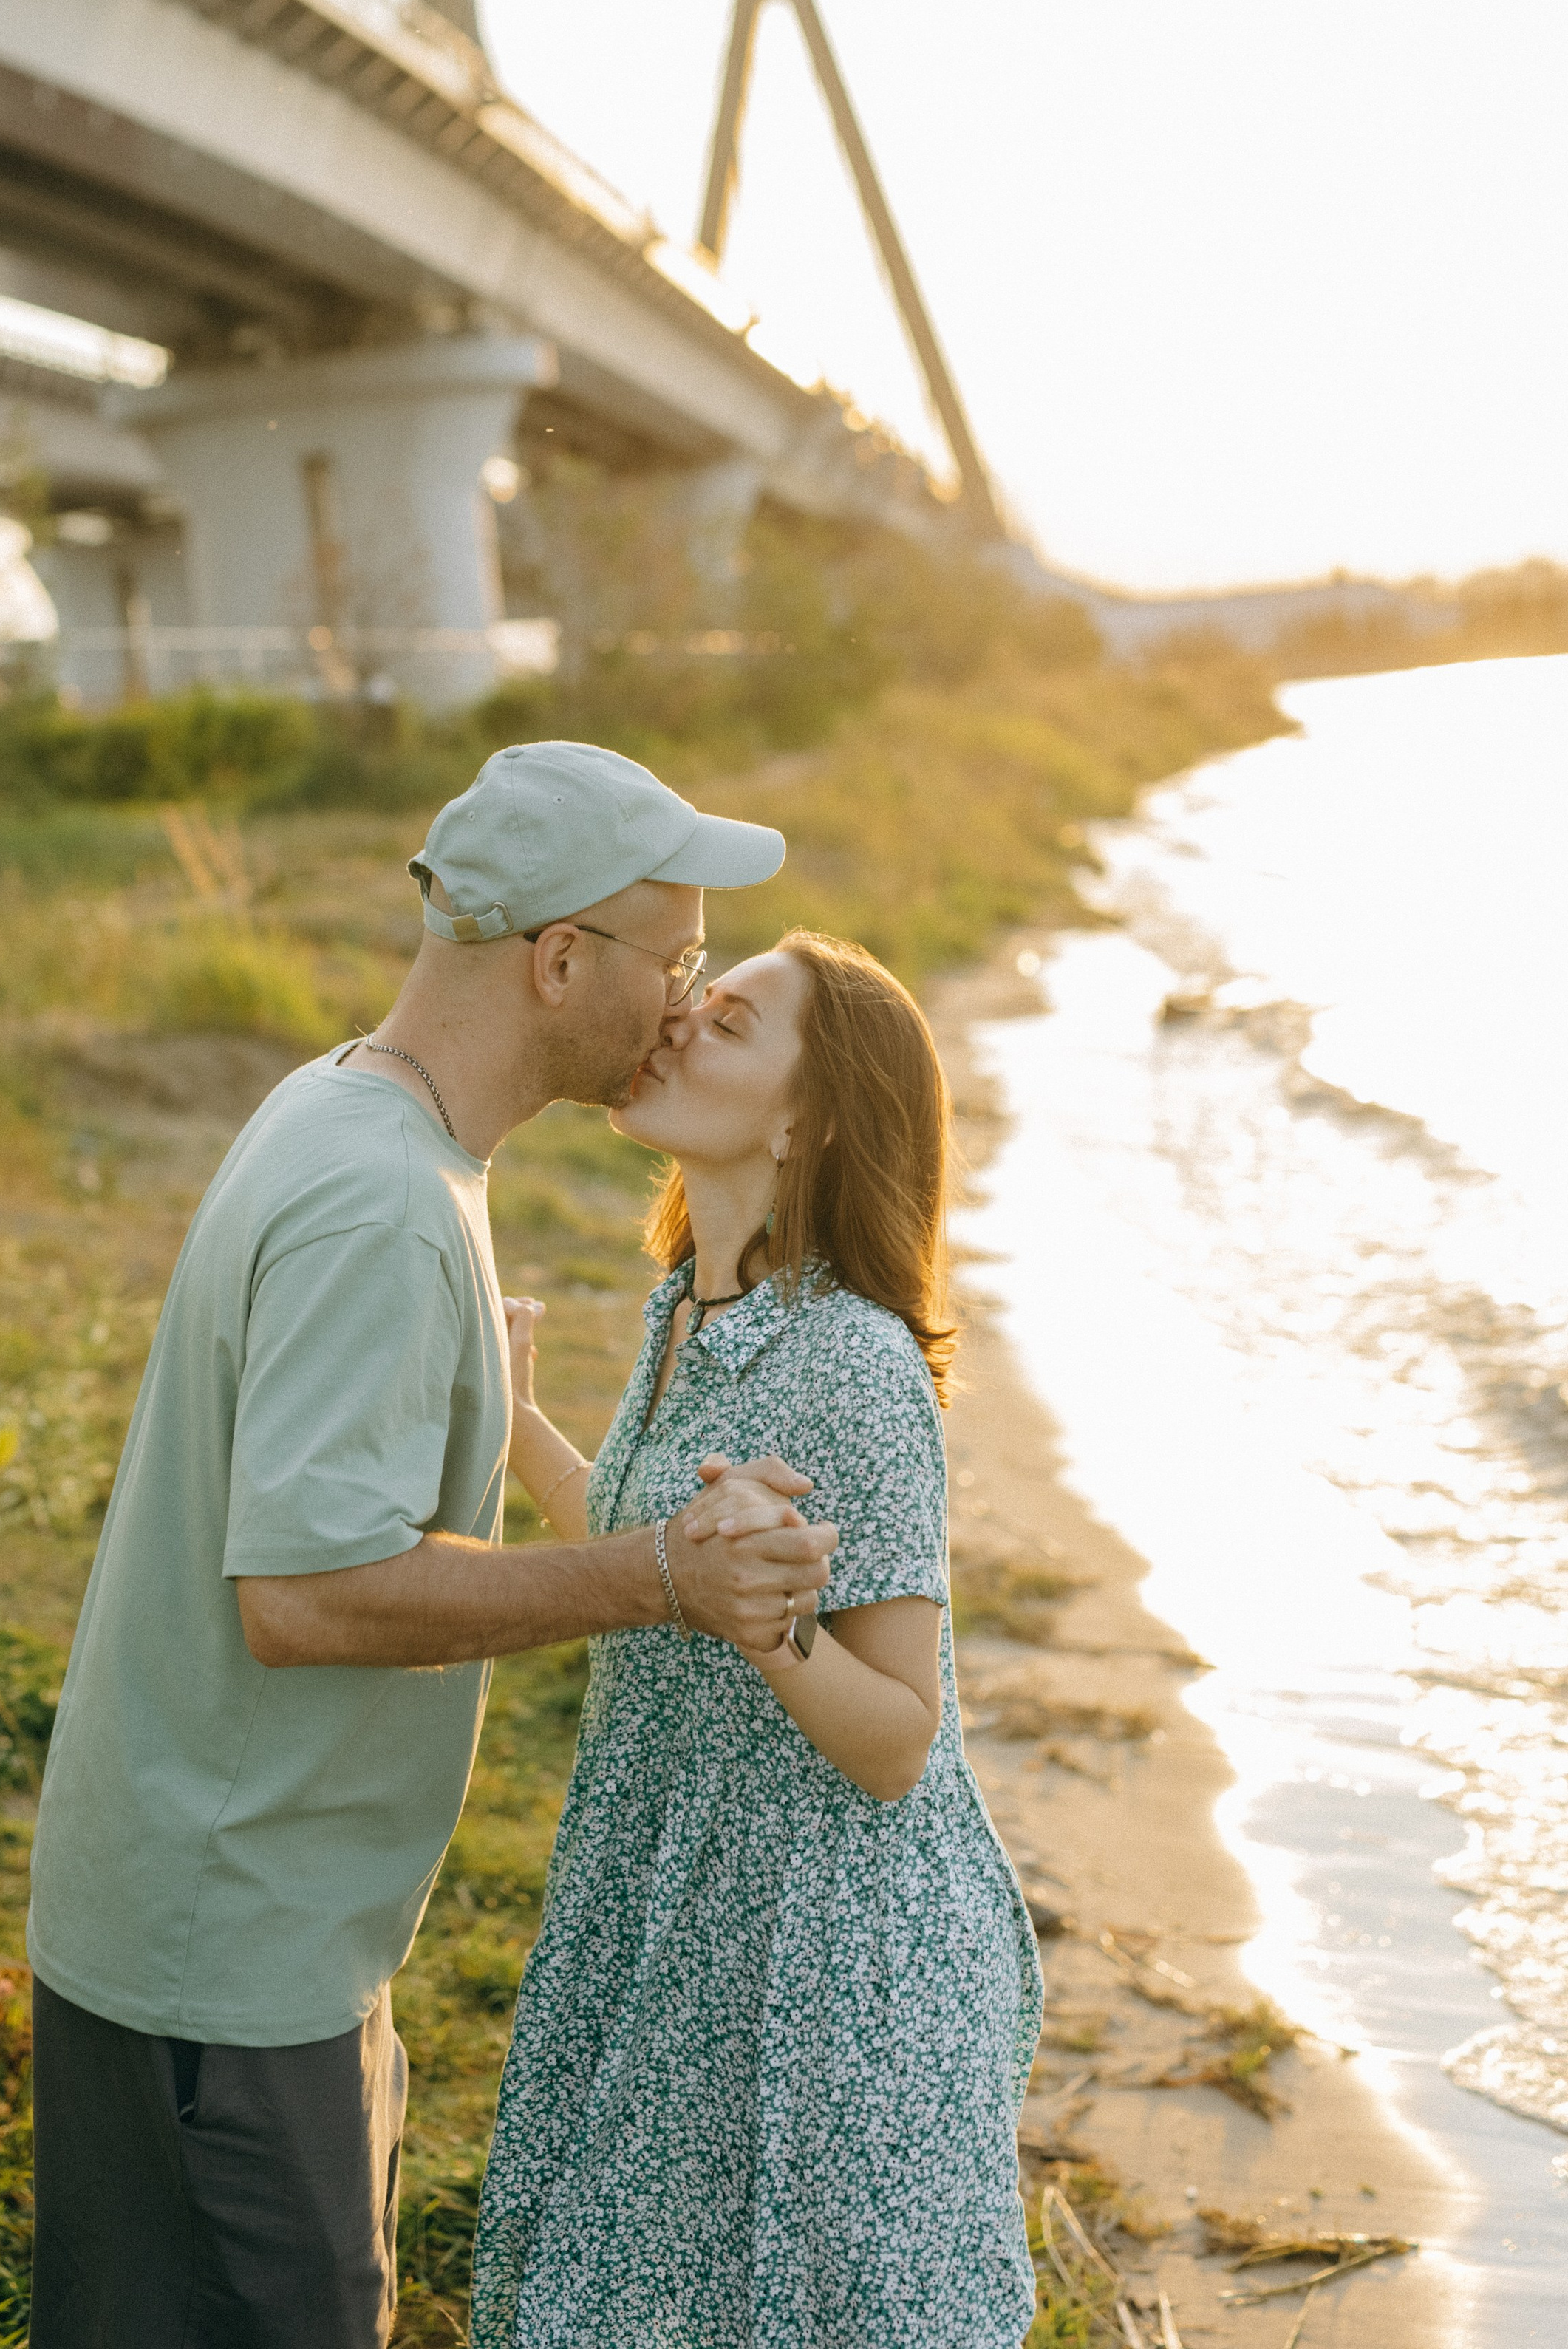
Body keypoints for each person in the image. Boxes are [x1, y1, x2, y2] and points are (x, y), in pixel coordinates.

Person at [24, 742, 839, 2349]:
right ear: (555, 960)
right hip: (222, 1964)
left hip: (249, 1928)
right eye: (671, 960)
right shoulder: (380, 1203)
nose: (682, 1003)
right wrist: (656, 1576)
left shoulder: (353, 1113)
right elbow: (306, 1599)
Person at [472, 930, 1043, 2349]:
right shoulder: (689, 1308)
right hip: (678, 1889)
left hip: (819, 1955)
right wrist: (515, 1419)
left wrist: (773, 1631)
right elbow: (650, 1546)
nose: (675, 1022)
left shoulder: (850, 1362)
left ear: (810, 1119)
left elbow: (903, 1741)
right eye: (696, 998)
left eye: (727, 1023)